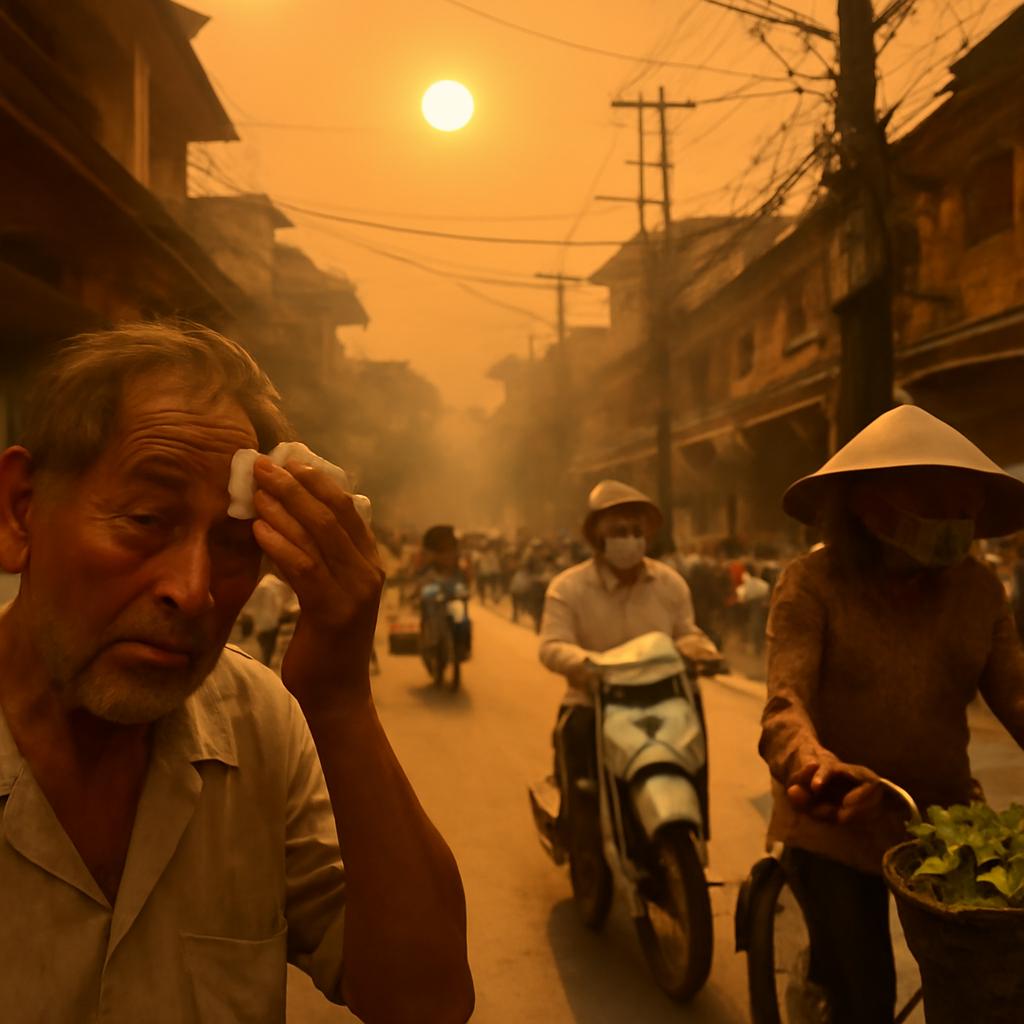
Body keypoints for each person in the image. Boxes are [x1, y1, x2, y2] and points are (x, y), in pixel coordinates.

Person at [0, 323, 473, 1023]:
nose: (194, 591)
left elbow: (425, 1001)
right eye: (146, 518)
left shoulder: (259, 723)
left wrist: (340, 702)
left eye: (233, 543)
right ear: (20, 511)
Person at [760, 404, 1024, 1024]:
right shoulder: (811, 583)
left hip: (943, 818)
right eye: (937, 499)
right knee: (864, 996)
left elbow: (1015, 696)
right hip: (836, 820)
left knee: (988, 987)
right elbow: (784, 704)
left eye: (968, 505)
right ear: (868, 506)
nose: (960, 517)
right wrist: (816, 765)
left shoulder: (979, 590)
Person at [539, 480, 717, 824]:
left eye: (637, 531)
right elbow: (551, 645)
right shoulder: (568, 587)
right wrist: (588, 663)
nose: (629, 539)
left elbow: (686, 632)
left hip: (664, 701)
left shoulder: (670, 583)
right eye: (619, 531)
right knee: (573, 742)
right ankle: (580, 842)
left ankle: (695, 836)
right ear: (597, 537)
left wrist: (701, 652)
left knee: (695, 741)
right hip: (595, 701)